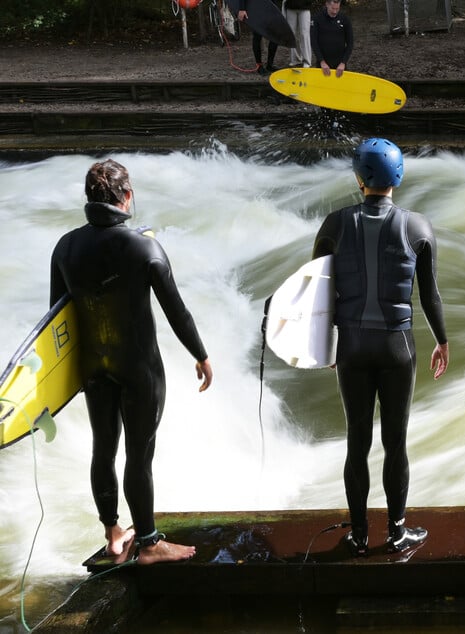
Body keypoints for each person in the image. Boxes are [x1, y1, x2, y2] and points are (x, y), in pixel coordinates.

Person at [50, 159, 213, 565]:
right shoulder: (144, 247)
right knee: (139, 453)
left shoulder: (65, 246)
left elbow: (56, 320)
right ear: (127, 197)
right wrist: (201, 355)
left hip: (92, 366)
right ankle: (151, 544)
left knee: (103, 449)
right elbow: (176, 310)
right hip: (137, 366)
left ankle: (113, 533)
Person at [312, 138, 449, 557]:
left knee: (357, 439)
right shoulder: (418, 227)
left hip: (351, 346)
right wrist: (442, 340)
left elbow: (316, 292)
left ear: (359, 178)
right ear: (399, 178)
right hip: (397, 347)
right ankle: (397, 531)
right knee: (395, 441)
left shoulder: (335, 224)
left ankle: (357, 534)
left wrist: (325, 346)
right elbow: (431, 296)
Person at [311, 0, 353, 77]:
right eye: (333, 9)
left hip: (340, 64)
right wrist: (321, 61)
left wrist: (343, 62)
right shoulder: (317, 18)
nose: (335, 12)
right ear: (327, 4)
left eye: (337, 9)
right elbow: (314, 42)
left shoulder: (344, 19)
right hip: (323, 64)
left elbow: (350, 43)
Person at [236, 1, 280, 75]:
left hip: (271, 8)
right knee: (257, 36)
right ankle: (259, 65)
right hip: (256, 8)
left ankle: (270, 64)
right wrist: (242, 9)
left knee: (275, 37)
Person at [284, 0, 313, 68]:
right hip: (290, 6)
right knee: (292, 34)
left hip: (305, 7)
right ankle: (295, 59)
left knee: (304, 34)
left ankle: (307, 61)